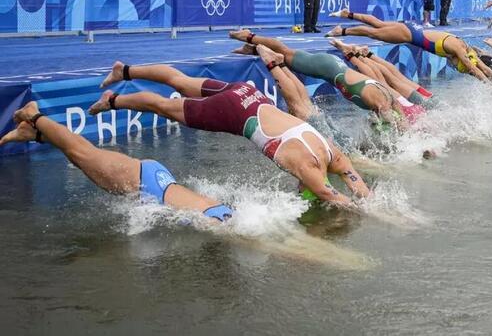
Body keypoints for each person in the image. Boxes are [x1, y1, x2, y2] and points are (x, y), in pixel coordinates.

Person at [93, 61, 370, 206]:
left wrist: (370, 203)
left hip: (248, 94)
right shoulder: (308, 169)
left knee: (181, 82)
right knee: (164, 107)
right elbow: (334, 197)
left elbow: (356, 186)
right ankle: (112, 101)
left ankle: (125, 71)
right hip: (235, 113)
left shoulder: (334, 154)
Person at [0, 102, 233, 222]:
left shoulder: (226, 217)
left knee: (84, 159)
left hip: (155, 183)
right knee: (83, 153)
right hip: (146, 184)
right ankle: (34, 115)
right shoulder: (225, 224)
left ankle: (34, 134)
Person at [229, 29, 414, 128]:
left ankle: (252, 49)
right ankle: (248, 36)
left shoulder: (389, 97)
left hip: (332, 66)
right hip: (327, 67)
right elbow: (397, 124)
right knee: (285, 52)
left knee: (286, 60)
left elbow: (398, 117)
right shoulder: (382, 104)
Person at [325, 9, 492, 83]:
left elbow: (483, 67)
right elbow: (475, 70)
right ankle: (342, 31)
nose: (455, 66)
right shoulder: (459, 51)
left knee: (379, 24)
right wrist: (491, 88)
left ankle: (348, 14)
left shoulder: (468, 51)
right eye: (458, 67)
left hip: (413, 27)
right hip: (409, 35)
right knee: (373, 33)